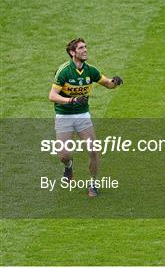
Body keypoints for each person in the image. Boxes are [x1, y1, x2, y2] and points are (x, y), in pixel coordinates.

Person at [48, 38, 123, 197]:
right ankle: (68, 166)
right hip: (64, 115)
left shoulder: (91, 70)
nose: (85, 50)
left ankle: (93, 183)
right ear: (72, 52)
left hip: (82, 115)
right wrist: (71, 100)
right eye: (81, 48)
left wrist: (115, 82)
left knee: (94, 150)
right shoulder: (64, 71)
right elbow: (52, 96)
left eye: (86, 47)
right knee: (63, 155)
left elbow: (107, 83)